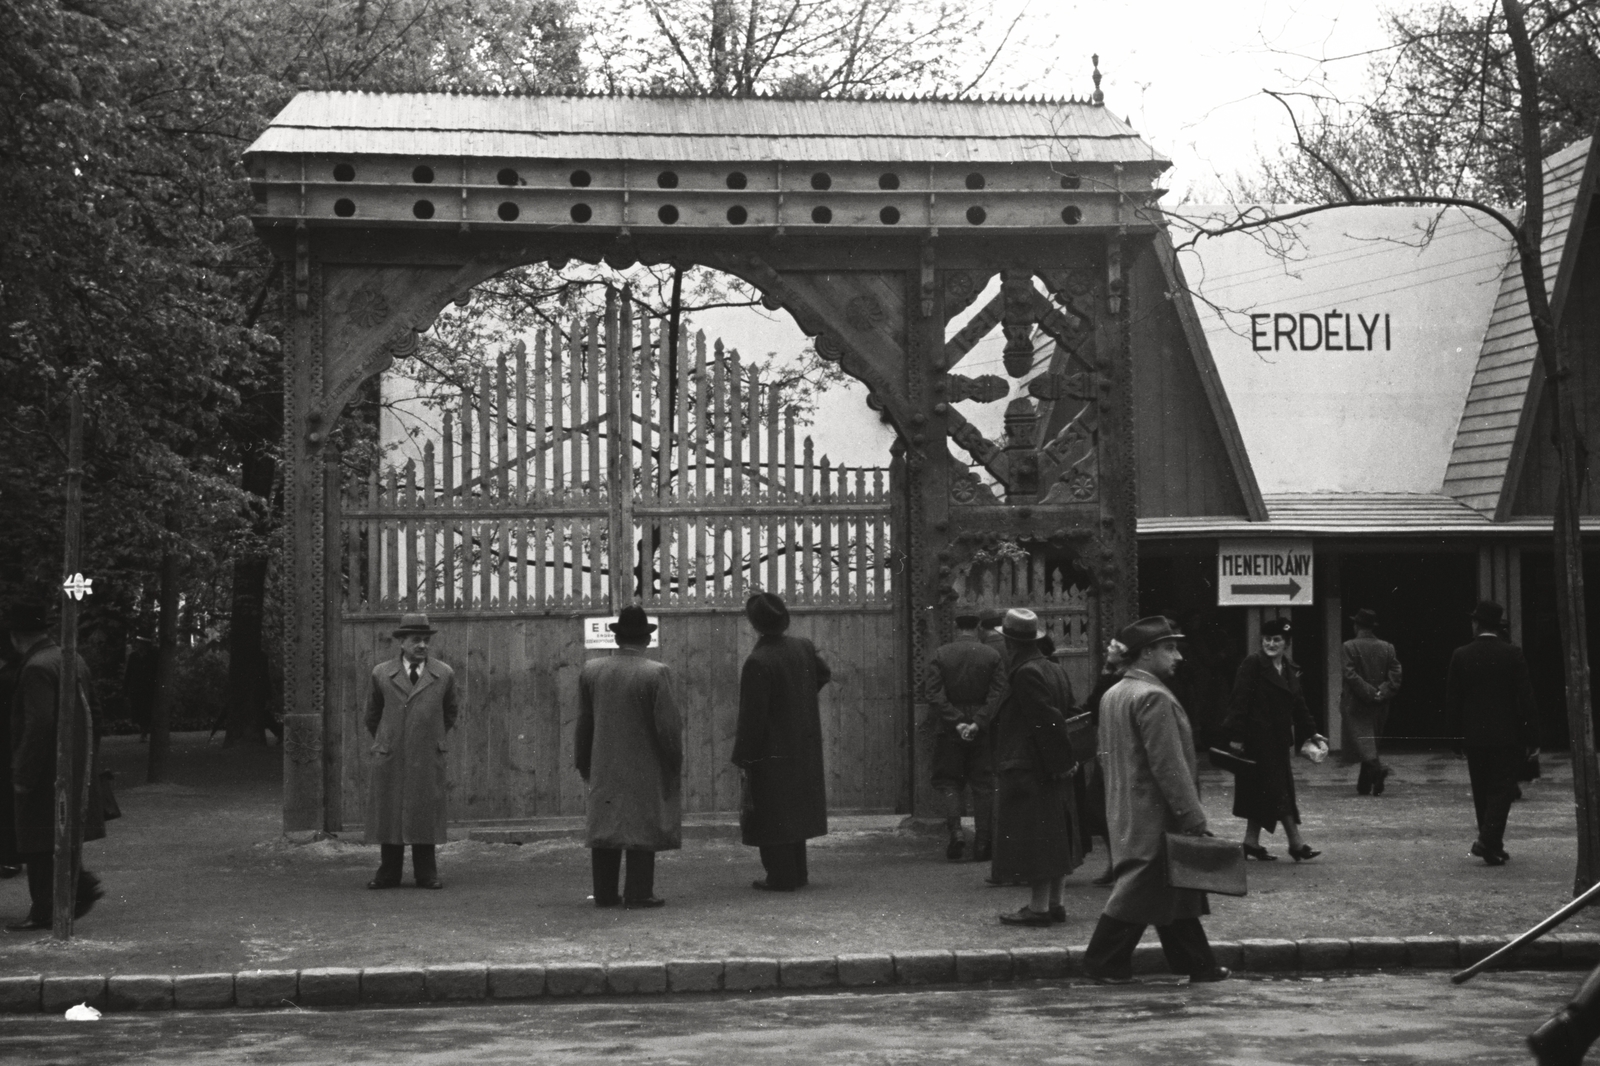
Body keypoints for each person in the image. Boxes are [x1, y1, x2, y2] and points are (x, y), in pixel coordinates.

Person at [1084, 616, 1229, 983]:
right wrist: (1192, 817)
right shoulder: (1152, 696)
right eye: (1169, 648)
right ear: (1146, 653)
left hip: (1126, 808)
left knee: (1172, 888)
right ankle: (1103, 962)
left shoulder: (1114, 693)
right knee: (1140, 888)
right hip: (1155, 814)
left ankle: (1197, 964)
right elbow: (1169, 767)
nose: (1177, 656)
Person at [4, 601, 105, 932]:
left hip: (47, 771)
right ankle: (65, 898)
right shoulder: (70, 657)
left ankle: (48, 908)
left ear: (17, 636)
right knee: (57, 839)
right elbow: (94, 712)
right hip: (72, 764)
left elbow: (38, 726)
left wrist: (23, 774)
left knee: (37, 842)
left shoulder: (35, 667)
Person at [575, 605, 683, 909]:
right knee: (642, 823)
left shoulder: (592, 670)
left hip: (604, 763)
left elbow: (584, 723)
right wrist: (674, 761)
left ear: (617, 638)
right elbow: (668, 729)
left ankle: (605, 893)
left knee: (605, 824)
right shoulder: (657, 673)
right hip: (644, 764)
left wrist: (583, 761)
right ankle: (639, 892)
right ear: (646, 640)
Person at [734, 592, 832, 891]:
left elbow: (753, 718)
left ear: (754, 623)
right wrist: (799, 700)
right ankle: (798, 872)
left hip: (771, 748)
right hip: (802, 742)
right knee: (794, 809)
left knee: (771, 810)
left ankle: (780, 876)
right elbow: (824, 674)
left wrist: (744, 757)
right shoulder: (802, 647)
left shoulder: (758, 660)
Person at [991, 609, 1081, 926]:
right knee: (1056, 836)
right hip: (1055, 765)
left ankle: (1039, 908)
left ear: (1009, 642)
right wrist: (1067, 762)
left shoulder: (1025, 672)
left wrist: (1058, 763)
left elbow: (1046, 721)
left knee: (1038, 838)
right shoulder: (1053, 669)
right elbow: (1070, 714)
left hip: (1033, 767)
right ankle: (1055, 904)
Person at [364, 613, 458, 889]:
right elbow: (372, 715)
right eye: (416, 640)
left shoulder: (444, 674)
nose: (422, 645)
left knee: (424, 811)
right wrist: (390, 738)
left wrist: (427, 736)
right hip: (390, 752)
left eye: (426, 640)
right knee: (390, 812)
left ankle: (426, 874)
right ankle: (388, 873)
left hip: (427, 753)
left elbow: (450, 712)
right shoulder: (381, 673)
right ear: (402, 642)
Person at [1223, 618, 1325, 862]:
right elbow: (1239, 701)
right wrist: (1236, 738)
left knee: (1263, 791)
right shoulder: (1253, 664)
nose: (1270, 643)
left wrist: (1312, 733)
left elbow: (1299, 705)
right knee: (1279, 791)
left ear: (1286, 643)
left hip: (1278, 742)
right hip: (1255, 740)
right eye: (1267, 639)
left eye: (1277, 640)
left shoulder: (1289, 669)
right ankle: (1296, 843)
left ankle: (1250, 842)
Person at [1445, 600, 1537, 866]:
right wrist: (1533, 737)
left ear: (1476, 624)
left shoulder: (1461, 654)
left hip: (1474, 735)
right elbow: (1525, 697)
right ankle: (1488, 841)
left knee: (1481, 789)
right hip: (1507, 735)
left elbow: (1454, 700)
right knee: (1502, 788)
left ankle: (1491, 843)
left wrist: (1454, 737)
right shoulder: (1513, 654)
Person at [926, 613, 1006, 862]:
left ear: (955, 627)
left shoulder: (941, 654)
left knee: (950, 782)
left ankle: (957, 833)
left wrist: (957, 721)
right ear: (979, 628)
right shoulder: (992, 655)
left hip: (949, 728)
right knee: (983, 786)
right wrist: (978, 722)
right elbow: (998, 693)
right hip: (982, 730)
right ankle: (982, 843)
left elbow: (933, 693)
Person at [1078, 639, 1128, 886]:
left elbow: (1093, 706)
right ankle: (1118, 863)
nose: (1108, 648)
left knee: (1102, 806)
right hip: (1109, 750)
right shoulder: (1111, 676)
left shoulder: (1116, 680)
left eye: (1113, 646)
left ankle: (1121, 865)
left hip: (1115, 752)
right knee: (1100, 808)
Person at [1341, 608, 1402, 796]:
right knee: (1370, 744)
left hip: (1356, 704)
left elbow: (1350, 674)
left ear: (1356, 625)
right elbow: (1396, 674)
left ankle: (1377, 771)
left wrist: (1369, 692)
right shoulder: (1387, 647)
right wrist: (1380, 692)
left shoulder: (1349, 646)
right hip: (1379, 704)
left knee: (1363, 745)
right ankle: (1364, 785)